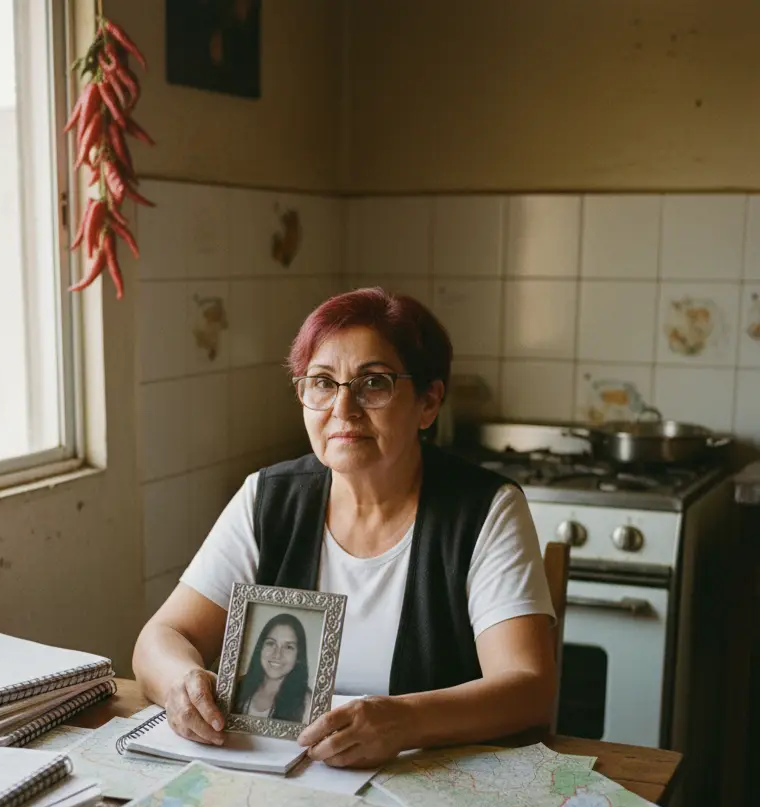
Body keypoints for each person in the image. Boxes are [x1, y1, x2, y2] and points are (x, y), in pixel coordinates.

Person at [133, 287, 556, 768]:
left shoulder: (484, 510)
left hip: (427, 790)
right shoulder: (269, 498)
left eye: (374, 383)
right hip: (286, 785)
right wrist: (183, 684)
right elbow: (159, 638)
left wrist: (405, 721)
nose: (343, 409)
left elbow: (528, 686)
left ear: (429, 402)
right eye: (321, 382)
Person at [233, 613, 312, 722]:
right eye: (271, 643)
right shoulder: (235, 687)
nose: (277, 655)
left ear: (298, 656)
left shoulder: (308, 704)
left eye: (288, 647)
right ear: (260, 648)